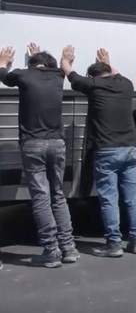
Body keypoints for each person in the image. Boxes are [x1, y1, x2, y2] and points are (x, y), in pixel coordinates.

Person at [61, 45, 136, 256]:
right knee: (132, 198)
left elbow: (70, 74)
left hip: (107, 150)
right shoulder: (126, 85)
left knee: (109, 199)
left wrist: (65, 60)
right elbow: (116, 74)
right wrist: (108, 62)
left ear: (93, 76)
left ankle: (114, 244)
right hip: (131, 149)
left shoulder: (93, 85)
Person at [0, 43, 78, 268]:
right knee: (58, 195)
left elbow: (4, 76)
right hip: (57, 143)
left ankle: (51, 252)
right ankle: (69, 248)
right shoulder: (58, 76)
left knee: (41, 197)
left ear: (31, 65)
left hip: (33, 143)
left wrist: (3, 61)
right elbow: (52, 68)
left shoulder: (23, 76)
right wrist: (52, 58)